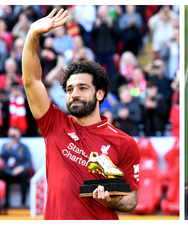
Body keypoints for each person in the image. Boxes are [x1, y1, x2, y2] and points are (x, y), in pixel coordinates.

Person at [21, 8, 140, 220]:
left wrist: (112, 201)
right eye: (69, 89)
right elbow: (32, 81)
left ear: (100, 93)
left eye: (83, 88)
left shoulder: (125, 143)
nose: (74, 94)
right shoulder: (53, 124)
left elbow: (131, 199)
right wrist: (32, 35)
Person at [0, 127, 32, 209]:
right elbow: (1, 156)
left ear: (19, 134)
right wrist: (8, 146)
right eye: (12, 134)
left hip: (19, 172)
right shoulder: (5, 145)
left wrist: (21, 168)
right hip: (7, 171)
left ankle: (23, 202)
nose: (13, 136)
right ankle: (4, 203)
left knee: (25, 174)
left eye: (15, 134)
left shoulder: (24, 147)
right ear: (8, 134)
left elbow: (28, 162)